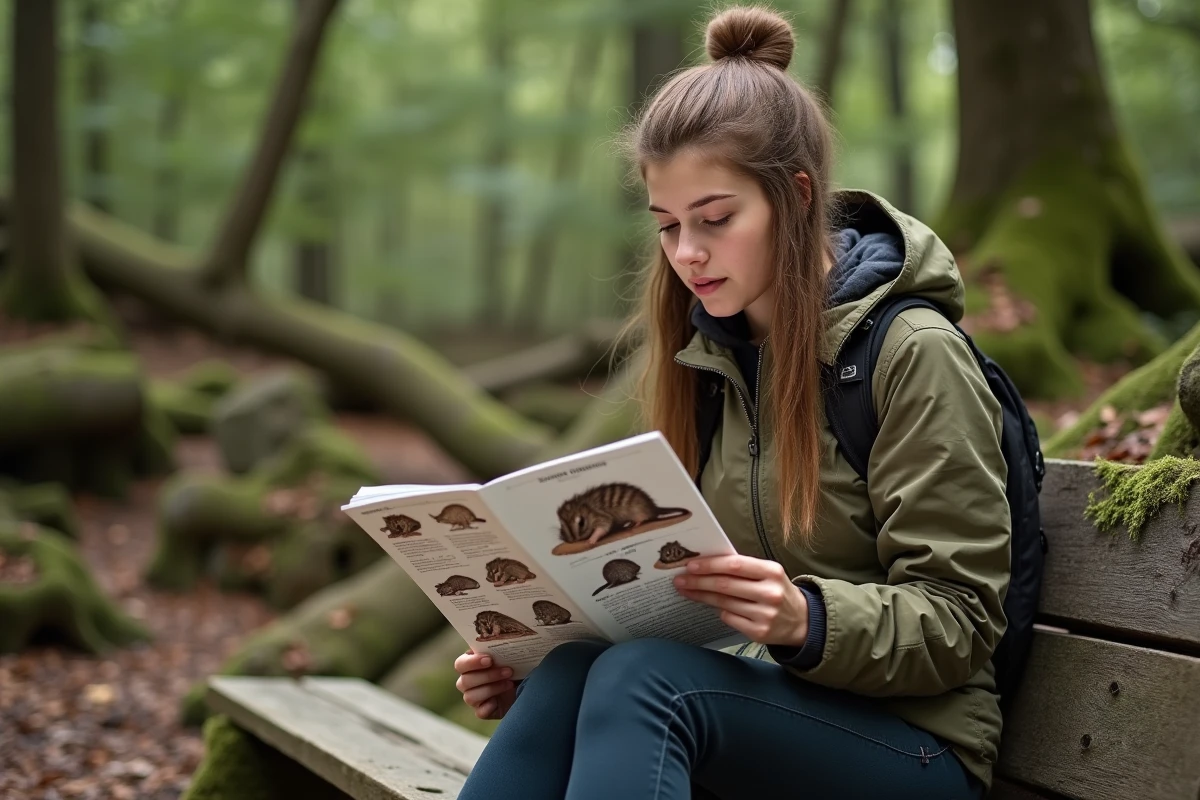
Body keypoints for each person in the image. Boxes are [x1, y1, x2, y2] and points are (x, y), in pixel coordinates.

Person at [452, 6, 1009, 799]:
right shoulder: (708, 358)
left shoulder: (911, 353)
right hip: (761, 714)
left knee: (644, 682)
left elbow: (960, 619)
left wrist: (805, 619)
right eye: (668, 226)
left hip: (918, 751)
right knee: (579, 668)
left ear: (796, 195)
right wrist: (528, 671)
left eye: (715, 219)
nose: (688, 254)